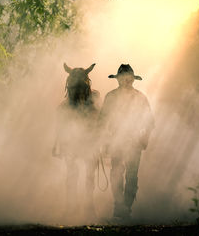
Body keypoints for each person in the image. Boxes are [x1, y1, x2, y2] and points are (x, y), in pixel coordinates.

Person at [98, 64, 155, 222]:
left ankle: (126, 208)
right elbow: (103, 120)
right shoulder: (111, 97)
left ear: (132, 80)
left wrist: (144, 138)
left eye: (128, 79)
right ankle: (118, 206)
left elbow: (150, 121)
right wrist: (104, 140)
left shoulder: (140, 97)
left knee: (131, 176)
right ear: (118, 80)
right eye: (123, 78)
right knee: (116, 173)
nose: (126, 81)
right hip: (116, 141)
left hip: (134, 142)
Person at [52, 63, 100, 222]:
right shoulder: (64, 108)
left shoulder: (94, 103)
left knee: (87, 175)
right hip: (73, 141)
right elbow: (61, 125)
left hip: (88, 140)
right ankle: (72, 207)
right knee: (73, 174)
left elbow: (101, 123)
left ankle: (88, 206)